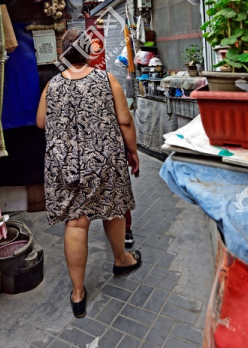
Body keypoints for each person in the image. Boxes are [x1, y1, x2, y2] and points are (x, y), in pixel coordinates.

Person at [37, 29, 141, 318]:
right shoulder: (106, 80)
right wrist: (132, 152)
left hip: (65, 163)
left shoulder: (53, 84)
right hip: (104, 158)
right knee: (113, 211)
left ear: (64, 53)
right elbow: (125, 121)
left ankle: (78, 292)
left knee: (76, 223)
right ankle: (121, 259)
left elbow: (40, 121)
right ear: (88, 52)